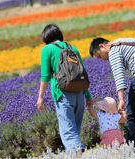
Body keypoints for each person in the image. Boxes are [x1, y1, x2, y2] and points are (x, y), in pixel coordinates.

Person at [89, 37, 135, 146]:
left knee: (131, 115)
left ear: (102, 46)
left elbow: (119, 76)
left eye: (99, 55)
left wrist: (121, 100)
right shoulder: (124, 41)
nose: (102, 59)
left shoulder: (113, 50)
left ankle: (132, 149)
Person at [37, 24, 93, 155]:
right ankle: (76, 151)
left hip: (62, 92)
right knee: (74, 128)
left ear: (46, 37)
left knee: (67, 128)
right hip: (79, 91)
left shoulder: (47, 49)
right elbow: (82, 73)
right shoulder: (72, 47)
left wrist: (40, 97)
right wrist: (88, 95)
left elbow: (45, 76)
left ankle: (76, 152)